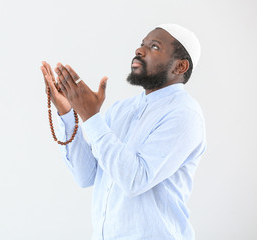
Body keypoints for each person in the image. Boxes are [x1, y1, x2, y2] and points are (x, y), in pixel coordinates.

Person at [40, 24, 206, 240]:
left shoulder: (184, 115)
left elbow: (135, 180)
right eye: (141, 44)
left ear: (180, 66)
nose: (139, 51)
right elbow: (86, 175)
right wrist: (67, 111)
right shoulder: (122, 109)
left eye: (154, 46)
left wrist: (91, 116)